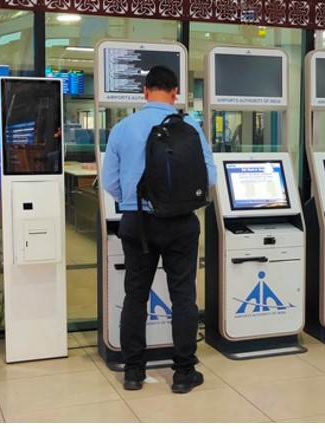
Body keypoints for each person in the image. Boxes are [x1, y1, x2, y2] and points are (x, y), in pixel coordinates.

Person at [101, 66, 217, 394]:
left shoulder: (123, 128)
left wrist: (131, 201)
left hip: (137, 222)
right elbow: (209, 177)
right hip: (181, 223)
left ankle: (133, 372)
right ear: (176, 93)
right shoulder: (190, 126)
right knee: (183, 296)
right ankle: (183, 373)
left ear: (145, 91)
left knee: (136, 295)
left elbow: (109, 180)